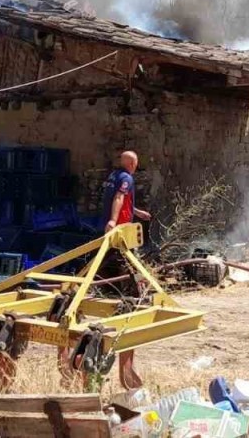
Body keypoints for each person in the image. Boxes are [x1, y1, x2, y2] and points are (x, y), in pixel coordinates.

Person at [96, 150, 151, 387]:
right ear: (132, 163)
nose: (136, 166)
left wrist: (137, 212)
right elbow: (118, 199)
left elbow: (120, 198)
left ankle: (111, 293)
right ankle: (128, 298)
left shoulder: (114, 175)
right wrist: (114, 221)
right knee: (127, 271)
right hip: (119, 233)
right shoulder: (127, 178)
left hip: (115, 229)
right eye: (136, 163)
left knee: (109, 266)